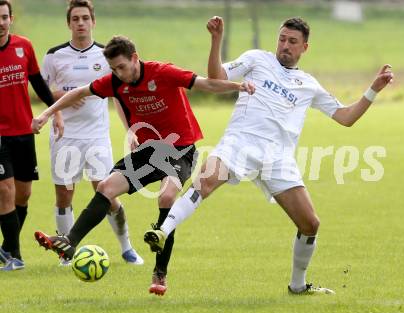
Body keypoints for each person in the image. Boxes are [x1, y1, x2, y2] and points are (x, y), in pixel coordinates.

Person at [144, 16, 394, 295]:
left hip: (278, 159)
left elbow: (346, 117)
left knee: (310, 224)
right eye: (282, 39)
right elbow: (216, 76)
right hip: (240, 143)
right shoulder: (257, 59)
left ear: (305, 48)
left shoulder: (308, 84)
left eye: (292, 42)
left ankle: (298, 286)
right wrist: (216, 40)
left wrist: (374, 89)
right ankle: (162, 231)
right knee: (206, 181)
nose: (285, 45)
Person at [32, 35, 255, 295]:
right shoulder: (116, 82)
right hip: (148, 153)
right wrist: (46, 113)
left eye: (122, 67)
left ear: (135, 58)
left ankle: (160, 274)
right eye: (113, 69)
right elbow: (81, 92)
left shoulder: (163, 72)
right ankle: (69, 242)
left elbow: (205, 83)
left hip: (180, 150)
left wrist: (237, 86)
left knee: (167, 196)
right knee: (105, 186)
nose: (119, 74)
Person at [41, 0, 142, 266]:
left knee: (108, 193)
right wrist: (62, 100)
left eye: (85, 18)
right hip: (65, 137)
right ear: (69, 23)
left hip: (97, 137)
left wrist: (130, 128)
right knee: (64, 194)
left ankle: (127, 247)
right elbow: (43, 91)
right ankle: (66, 250)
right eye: (75, 19)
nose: (81, 23)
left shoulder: (105, 56)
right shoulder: (54, 55)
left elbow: (119, 96)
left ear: (93, 22)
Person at [0, 0, 60, 271]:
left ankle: (5, 248)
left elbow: (38, 82)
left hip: (24, 132)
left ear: (10, 18)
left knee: (23, 195)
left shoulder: (24, 46)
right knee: (5, 190)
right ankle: (15, 255)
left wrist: (55, 112)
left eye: (3, 17)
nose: (0, 23)